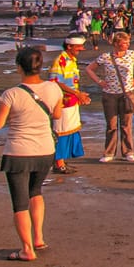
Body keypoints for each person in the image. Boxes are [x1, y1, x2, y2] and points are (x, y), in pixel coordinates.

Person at [0, 47, 63, 261]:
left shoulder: (11, 94)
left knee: (20, 201)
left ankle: (27, 248)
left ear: (18, 67)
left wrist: (2, 105)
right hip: (45, 150)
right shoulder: (54, 88)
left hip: (18, 151)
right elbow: (58, 114)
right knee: (36, 192)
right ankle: (39, 238)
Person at [84, 32, 134, 163]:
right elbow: (89, 69)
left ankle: (128, 152)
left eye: (128, 42)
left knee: (126, 125)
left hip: (127, 94)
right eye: (124, 42)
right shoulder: (106, 57)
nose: (127, 45)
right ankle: (109, 153)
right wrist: (99, 82)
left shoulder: (132, 54)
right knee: (111, 125)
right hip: (109, 94)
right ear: (116, 43)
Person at [48, 36, 91, 175]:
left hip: (71, 100)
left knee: (69, 129)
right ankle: (58, 163)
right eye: (78, 47)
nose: (81, 50)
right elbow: (55, 81)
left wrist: (78, 94)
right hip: (63, 102)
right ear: (69, 47)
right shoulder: (61, 60)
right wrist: (77, 94)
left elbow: (70, 82)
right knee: (61, 131)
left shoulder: (70, 60)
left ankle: (61, 161)